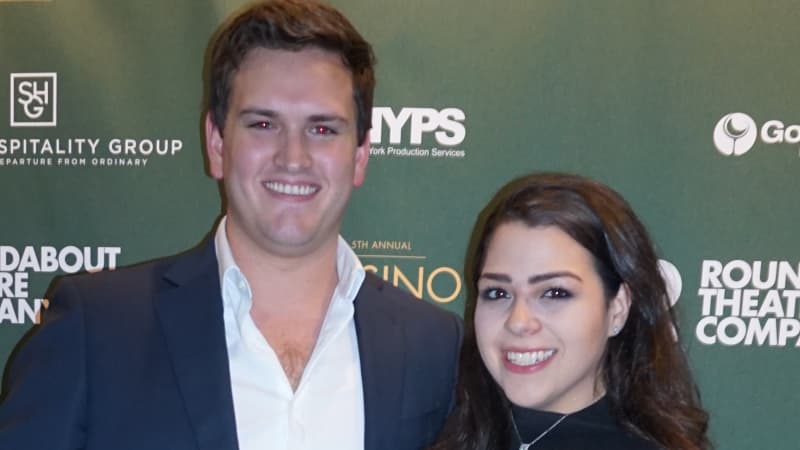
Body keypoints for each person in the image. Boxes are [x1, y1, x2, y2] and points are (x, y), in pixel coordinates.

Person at [0, 1, 461, 449]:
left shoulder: (434, 347)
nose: (293, 158)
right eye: (263, 124)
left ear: (360, 156)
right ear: (217, 143)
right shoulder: (96, 331)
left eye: (322, 129)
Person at [431, 173, 710, 450]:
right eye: (498, 293)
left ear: (618, 308)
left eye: (554, 293)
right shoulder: (456, 434)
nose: (518, 321)